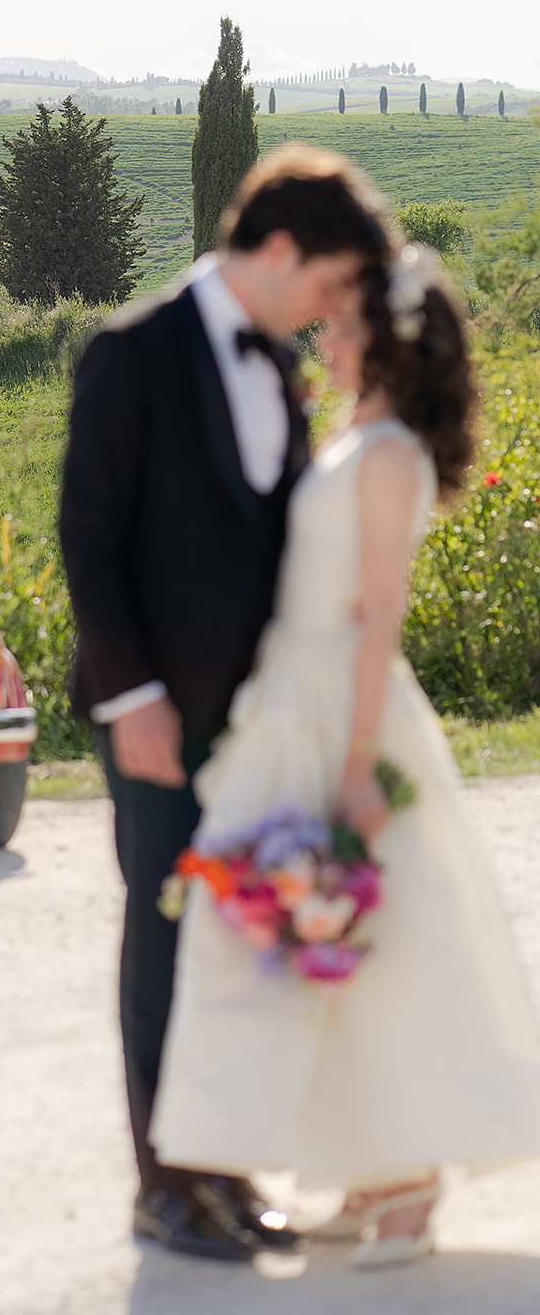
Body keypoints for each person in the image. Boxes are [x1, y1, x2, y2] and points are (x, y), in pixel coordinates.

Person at [150, 247, 540, 1267]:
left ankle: (408, 1181)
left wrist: (357, 762)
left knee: (363, 942)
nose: (324, 334)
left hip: (340, 709)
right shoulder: (347, 439)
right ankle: (371, 1170)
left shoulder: (386, 456)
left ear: (383, 341)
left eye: (344, 323)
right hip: (286, 699)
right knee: (295, 938)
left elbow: (376, 620)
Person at [58, 145, 393, 1261]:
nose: (329, 309)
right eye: (328, 285)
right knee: (163, 938)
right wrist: (135, 698)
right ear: (281, 249)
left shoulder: (280, 367)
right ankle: (162, 1184)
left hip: (261, 721)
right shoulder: (130, 351)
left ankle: (225, 1164)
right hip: (156, 719)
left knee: (244, 941)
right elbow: (88, 539)